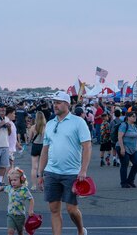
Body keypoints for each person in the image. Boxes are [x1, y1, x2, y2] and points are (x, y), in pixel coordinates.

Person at [38, 91, 91, 235]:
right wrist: (40, 173)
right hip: (51, 172)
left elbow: (87, 146)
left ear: (67, 104)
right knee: (54, 210)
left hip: (72, 173)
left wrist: (83, 170)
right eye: (54, 102)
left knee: (71, 209)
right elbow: (45, 150)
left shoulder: (78, 122)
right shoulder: (50, 124)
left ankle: (80, 230)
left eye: (58, 102)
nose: (55, 105)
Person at [0, 167, 35, 235]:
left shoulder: (24, 190)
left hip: (21, 216)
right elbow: (3, 188)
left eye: (15, 180)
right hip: (11, 215)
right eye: (11, 180)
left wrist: (30, 210)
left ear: (21, 179)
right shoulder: (10, 188)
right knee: (10, 231)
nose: (13, 182)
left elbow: (31, 199)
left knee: (20, 232)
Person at [117, 111, 137, 188]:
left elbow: (136, 138)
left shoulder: (135, 126)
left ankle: (130, 180)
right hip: (124, 147)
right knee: (125, 164)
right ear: (128, 117)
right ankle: (123, 182)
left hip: (134, 148)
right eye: (133, 116)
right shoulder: (124, 125)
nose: (135, 118)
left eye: (135, 116)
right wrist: (122, 148)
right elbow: (120, 137)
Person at [28, 111, 46, 190]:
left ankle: (34, 185)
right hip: (44, 147)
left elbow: (29, 139)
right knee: (43, 167)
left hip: (35, 146)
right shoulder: (46, 127)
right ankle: (42, 185)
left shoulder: (33, 127)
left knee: (34, 167)